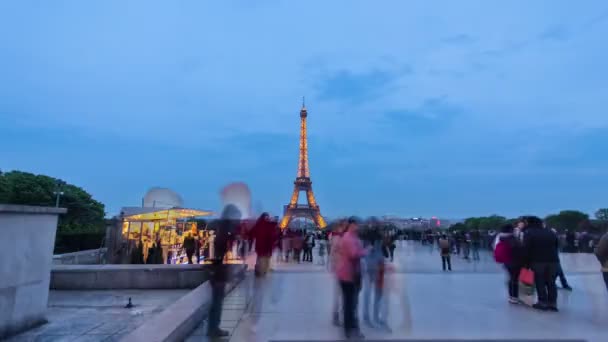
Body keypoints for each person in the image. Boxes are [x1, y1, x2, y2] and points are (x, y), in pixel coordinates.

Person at [207, 204, 241, 337]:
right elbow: (219, 252)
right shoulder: (225, 230)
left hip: (218, 270)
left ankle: (214, 328)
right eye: (236, 217)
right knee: (217, 301)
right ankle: (213, 329)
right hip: (218, 271)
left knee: (217, 301)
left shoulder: (223, 228)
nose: (238, 220)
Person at [336, 218, 367, 339]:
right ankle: (349, 329)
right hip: (348, 274)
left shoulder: (351, 236)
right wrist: (365, 251)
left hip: (349, 273)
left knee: (350, 302)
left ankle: (349, 328)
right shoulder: (349, 238)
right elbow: (354, 254)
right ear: (352, 225)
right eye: (356, 224)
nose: (358, 227)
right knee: (350, 303)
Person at [523, 216, 560, 311]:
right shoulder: (550, 232)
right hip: (553, 261)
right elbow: (556, 246)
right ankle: (553, 303)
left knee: (540, 282)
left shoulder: (529, 233)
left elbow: (526, 249)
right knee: (551, 283)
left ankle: (542, 302)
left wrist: (526, 264)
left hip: (537, 261)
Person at [495, 224, 524, 304]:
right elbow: (518, 250)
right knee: (515, 279)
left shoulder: (500, 238)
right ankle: (515, 296)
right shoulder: (512, 239)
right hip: (515, 261)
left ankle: (511, 296)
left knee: (511, 278)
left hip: (507, 261)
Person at [330, 220, 346, 326]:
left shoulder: (340, 237)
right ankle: (337, 314)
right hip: (341, 269)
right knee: (341, 293)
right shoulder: (337, 238)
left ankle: (339, 314)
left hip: (345, 268)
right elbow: (333, 254)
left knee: (343, 294)